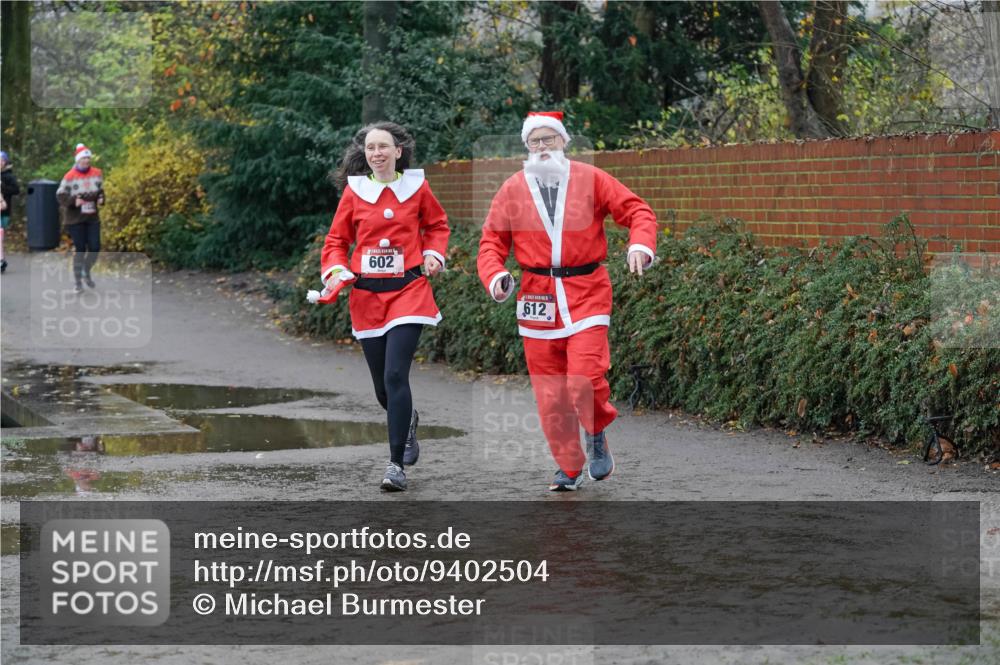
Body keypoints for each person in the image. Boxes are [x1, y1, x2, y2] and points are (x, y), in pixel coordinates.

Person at [477, 111, 658, 491]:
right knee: (551, 394)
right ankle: (568, 467)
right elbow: (491, 243)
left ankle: (596, 432)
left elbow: (637, 210)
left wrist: (639, 245)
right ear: (526, 147)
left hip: (587, 292)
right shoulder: (512, 188)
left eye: (549, 140)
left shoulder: (590, 178)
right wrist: (495, 277)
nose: (543, 148)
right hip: (537, 299)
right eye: (535, 142)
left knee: (585, 379)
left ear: (564, 141)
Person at [322, 121, 450, 492]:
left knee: (396, 376)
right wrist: (336, 268)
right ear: (365, 154)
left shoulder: (416, 187)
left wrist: (433, 255)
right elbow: (336, 240)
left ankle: (395, 466)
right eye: (370, 148)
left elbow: (438, 225)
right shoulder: (355, 192)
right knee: (383, 389)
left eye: (383, 147)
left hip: (409, 291)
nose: (376, 153)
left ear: (398, 151)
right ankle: (407, 421)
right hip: (366, 296)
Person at [56, 144, 104, 293]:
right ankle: (78, 282)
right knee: (81, 249)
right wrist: (73, 202)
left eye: (88, 158)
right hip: (75, 218)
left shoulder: (97, 173)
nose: (86, 161)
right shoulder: (70, 176)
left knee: (95, 247)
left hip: (92, 217)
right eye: (84, 158)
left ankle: (86, 270)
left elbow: (100, 190)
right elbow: (60, 195)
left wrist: (102, 198)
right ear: (78, 160)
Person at [0, 150, 20, 274]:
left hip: (4, 209)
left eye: (1, 161)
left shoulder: (9, 176)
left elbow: (16, 190)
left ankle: (1, 259)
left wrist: (3, 187)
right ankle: (1, 259)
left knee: (1, 233)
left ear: (5, 162)